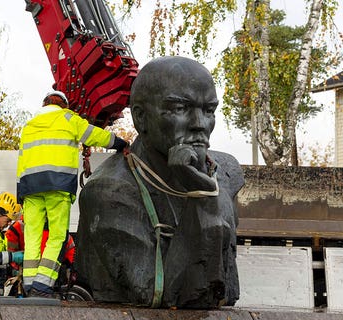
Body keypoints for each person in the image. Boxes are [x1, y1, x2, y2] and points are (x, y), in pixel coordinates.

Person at [75, 56, 245, 308]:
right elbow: (166, 297)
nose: (200, 124)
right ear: (140, 117)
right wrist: (201, 196)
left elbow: (223, 292)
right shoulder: (109, 193)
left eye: (209, 110)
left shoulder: (227, 173)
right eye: (179, 109)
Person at [16, 90, 128, 297]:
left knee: (32, 237)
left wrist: (19, 191)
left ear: (45, 104)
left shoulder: (29, 126)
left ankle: (30, 284)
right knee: (57, 237)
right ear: (64, 105)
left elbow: (21, 160)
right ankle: (42, 286)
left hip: (30, 188)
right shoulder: (68, 118)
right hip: (57, 186)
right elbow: (95, 135)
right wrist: (120, 143)